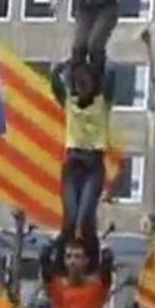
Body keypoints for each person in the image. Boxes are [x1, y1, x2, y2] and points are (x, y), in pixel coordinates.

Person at [50, 61, 115, 258]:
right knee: (71, 217)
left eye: (86, 85)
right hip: (73, 163)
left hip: (93, 164)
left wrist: (100, 62)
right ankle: (61, 255)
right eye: (79, 85)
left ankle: (92, 255)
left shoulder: (102, 103)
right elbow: (55, 84)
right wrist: (63, 66)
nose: (82, 89)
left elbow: (111, 74)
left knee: (84, 217)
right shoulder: (70, 102)